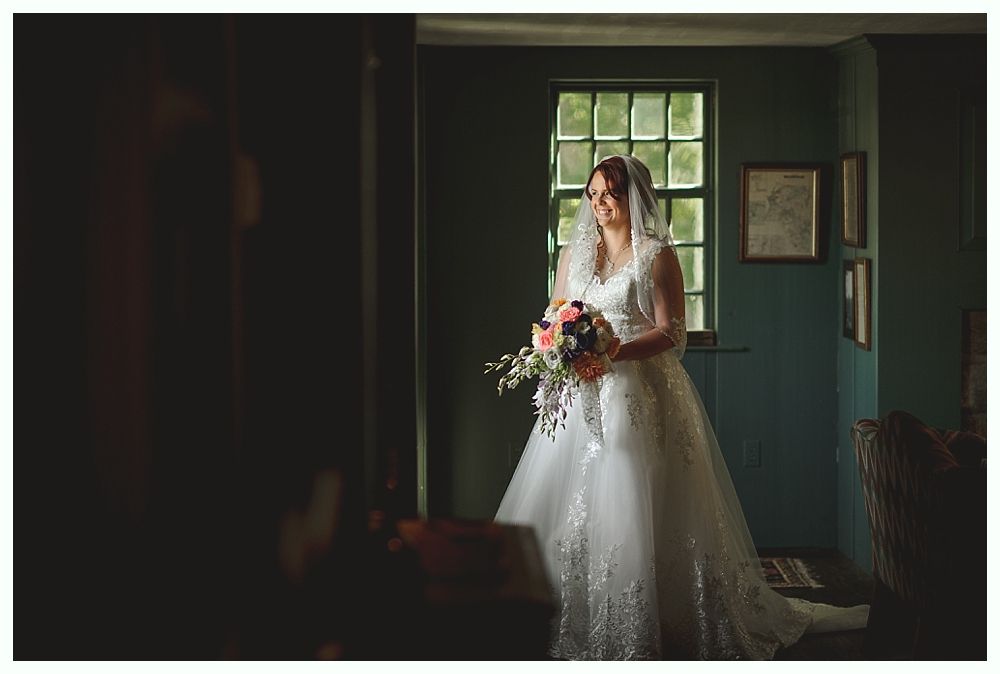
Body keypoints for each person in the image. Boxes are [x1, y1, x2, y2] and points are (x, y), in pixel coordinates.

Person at [494, 155, 869, 660]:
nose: (599, 204)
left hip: (638, 394)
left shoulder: (655, 255)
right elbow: (557, 311)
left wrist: (615, 350)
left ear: (633, 198)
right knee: (571, 504)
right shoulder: (576, 253)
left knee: (636, 502)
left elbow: (672, 331)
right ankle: (567, 615)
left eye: (609, 193)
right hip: (579, 391)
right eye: (592, 194)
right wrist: (560, 342)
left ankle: (650, 623)